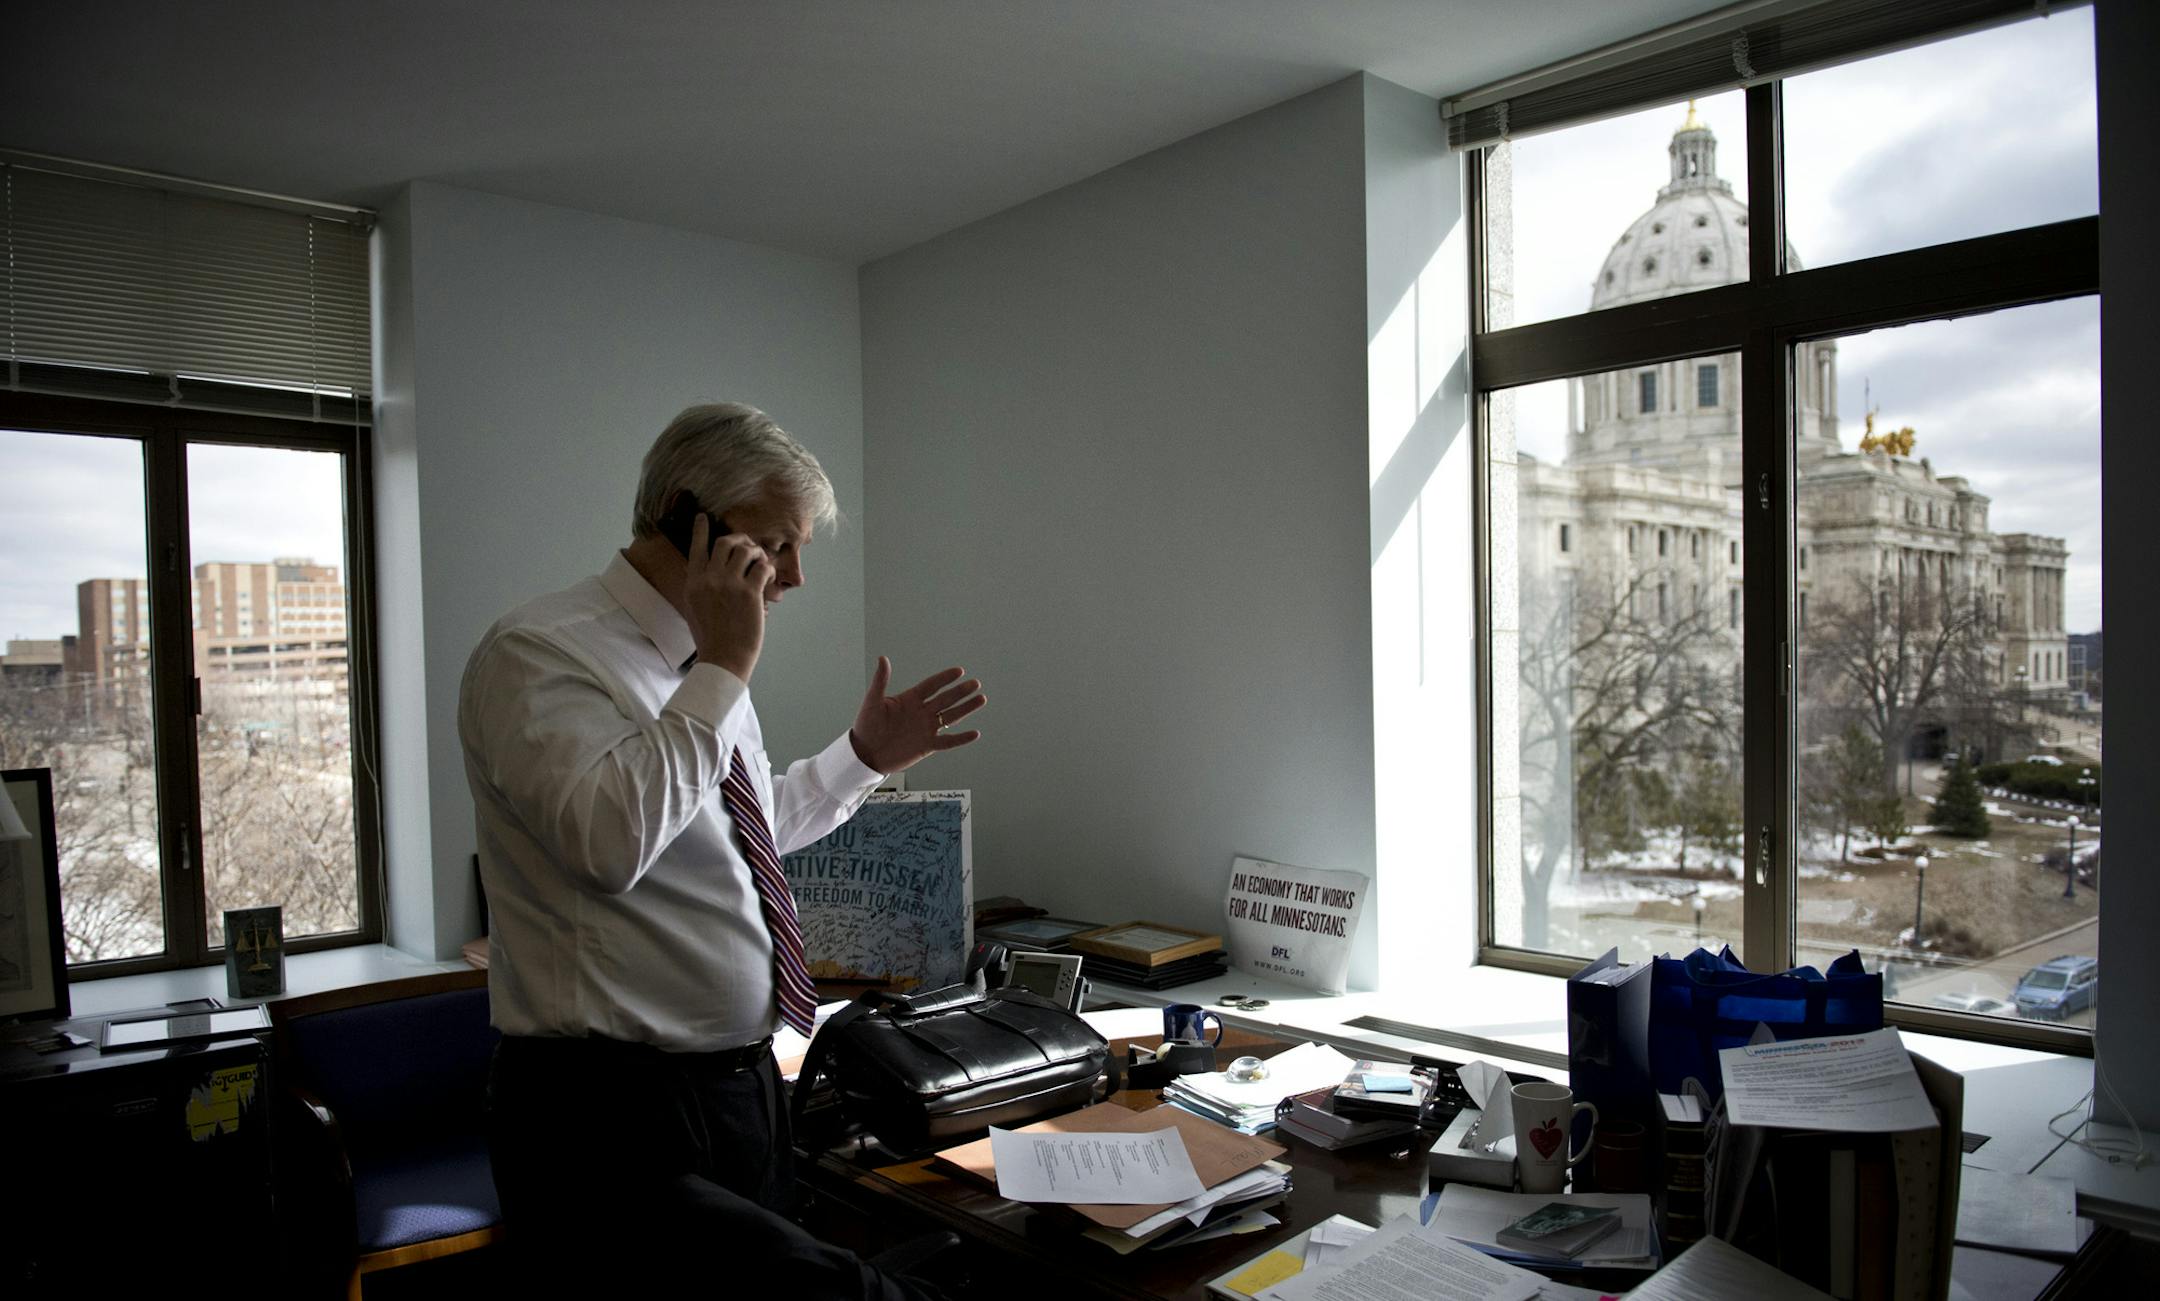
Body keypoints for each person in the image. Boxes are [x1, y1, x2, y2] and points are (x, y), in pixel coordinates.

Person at [459, 402, 983, 1287]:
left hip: (739, 1091)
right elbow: (611, 841)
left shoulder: (706, 671)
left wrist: (862, 758)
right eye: (777, 545)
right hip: (607, 1112)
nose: (795, 576)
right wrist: (723, 669)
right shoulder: (539, 653)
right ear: (687, 522)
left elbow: (744, 832)